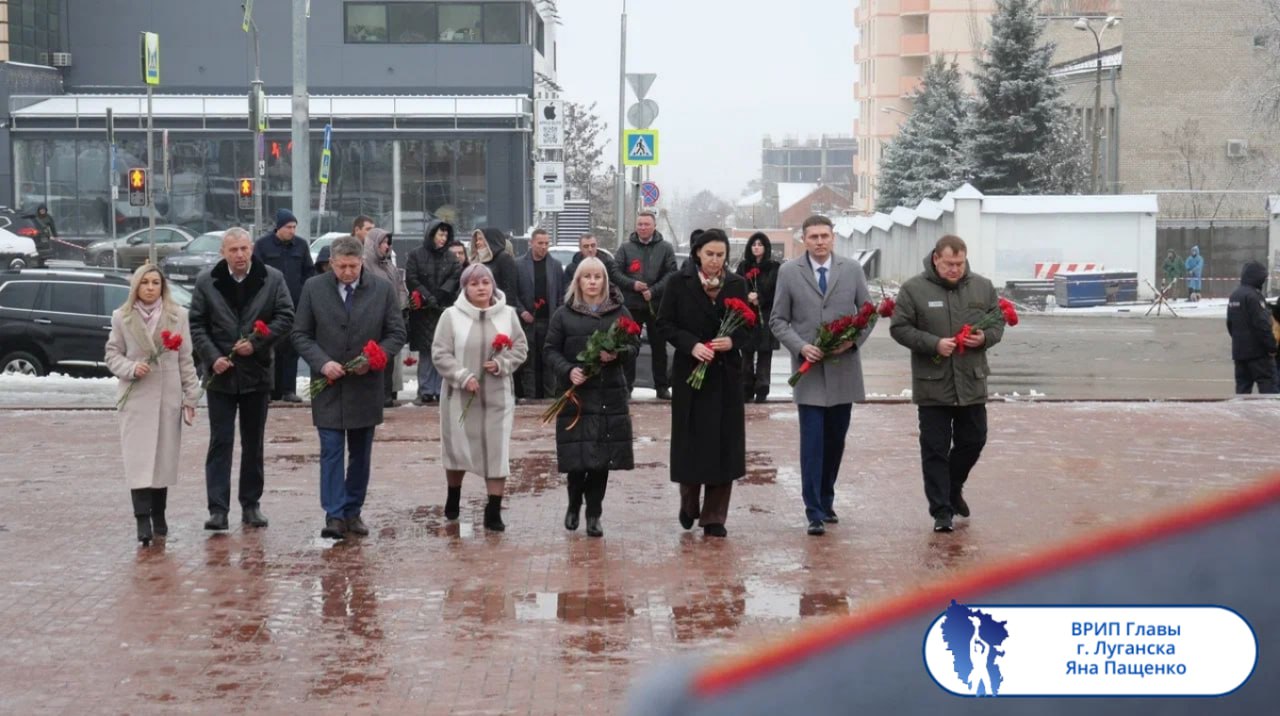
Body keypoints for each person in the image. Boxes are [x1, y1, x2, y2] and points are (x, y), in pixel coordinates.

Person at [291, 236, 407, 540]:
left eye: (353, 266)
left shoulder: (381, 290)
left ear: (361, 263)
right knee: (330, 449)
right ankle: (334, 514)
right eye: (341, 266)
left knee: (360, 452)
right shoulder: (314, 289)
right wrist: (322, 363)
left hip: (365, 386)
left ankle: (353, 511)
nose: (347, 272)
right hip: (328, 384)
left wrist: (374, 357)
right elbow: (301, 334)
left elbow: (396, 332)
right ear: (331, 264)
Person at [889, 234, 1004, 533]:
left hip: (971, 381)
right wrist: (933, 343)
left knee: (974, 440)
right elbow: (899, 328)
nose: (955, 269)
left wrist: (984, 338)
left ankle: (953, 487)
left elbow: (997, 321)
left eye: (960, 263)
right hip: (933, 384)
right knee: (935, 449)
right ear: (936, 259)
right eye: (949, 263)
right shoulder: (914, 289)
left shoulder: (982, 286)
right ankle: (941, 511)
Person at [771, 215, 874, 537]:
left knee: (835, 442)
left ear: (833, 238)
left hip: (844, 370)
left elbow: (867, 314)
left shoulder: (851, 270)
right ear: (804, 239)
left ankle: (826, 498)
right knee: (812, 443)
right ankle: (813, 510)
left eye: (824, 236)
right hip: (810, 373)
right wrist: (801, 347)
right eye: (813, 236)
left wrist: (852, 341)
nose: (819, 241)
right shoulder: (789, 272)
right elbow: (777, 320)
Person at [189, 227, 296, 531]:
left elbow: (285, 316)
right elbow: (197, 324)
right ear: (223, 252)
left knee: (253, 443)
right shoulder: (206, 282)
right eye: (233, 250)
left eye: (244, 249)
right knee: (220, 442)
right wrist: (212, 357)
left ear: (252, 250)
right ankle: (218, 509)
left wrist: (258, 343)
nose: (239, 255)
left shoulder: (272, 279)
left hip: (256, 373)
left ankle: (251, 505)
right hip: (220, 376)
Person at [657, 229, 751, 538]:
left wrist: (732, 340)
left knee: (725, 445)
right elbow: (664, 325)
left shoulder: (737, 284)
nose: (715, 261)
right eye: (709, 254)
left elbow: (755, 330)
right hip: (691, 375)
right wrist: (691, 344)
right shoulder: (678, 283)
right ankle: (688, 502)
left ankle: (714, 517)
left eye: (720, 255)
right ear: (698, 253)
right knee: (691, 442)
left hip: (725, 377)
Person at [104, 265, 201, 545]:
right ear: (136, 286)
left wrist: (190, 396)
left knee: (162, 459)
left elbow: (186, 358)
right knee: (138, 461)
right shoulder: (122, 317)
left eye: (155, 282)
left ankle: (159, 516)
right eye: (144, 282)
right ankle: (141, 520)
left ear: (162, 286)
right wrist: (131, 367)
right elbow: (112, 354)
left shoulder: (177, 315)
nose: (149, 287)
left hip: (167, 397)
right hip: (136, 397)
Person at [544, 257, 639, 537]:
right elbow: (550, 350)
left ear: (605, 281)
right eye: (587, 277)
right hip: (577, 396)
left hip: (609, 394)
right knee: (578, 458)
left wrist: (617, 354)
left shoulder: (619, 311)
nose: (593, 281)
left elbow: (633, 345)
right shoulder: (564, 314)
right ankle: (574, 503)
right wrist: (569, 370)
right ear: (578, 281)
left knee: (602, 460)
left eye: (598, 276)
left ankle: (594, 512)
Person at [431, 263, 529, 532]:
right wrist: (462, 376)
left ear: (493, 285)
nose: (481, 288)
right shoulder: (451, 316)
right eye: (474, 284)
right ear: (465, 287)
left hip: (497, 396)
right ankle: (454, 495)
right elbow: (440, 353)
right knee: (458, 450)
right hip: (459, 397)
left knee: (497, 452)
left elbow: (521, 347)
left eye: (485, 282)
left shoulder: (508, 315)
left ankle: (493, 509)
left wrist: (501, 364)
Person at [614, 210, 678, 399]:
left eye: (646, 224)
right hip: (631, 306)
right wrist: (632, 284)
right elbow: (615, 271)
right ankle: (627, 386)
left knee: (659, 347)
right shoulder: (625, 248)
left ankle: (661, 386)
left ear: (654, 226)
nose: (642, 227)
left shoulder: (665, 248)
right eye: (640, 224)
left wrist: (655, 290)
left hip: (656, 305)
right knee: (629, 346)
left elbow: (671, 273)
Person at [254, 208, 313, 402]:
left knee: (290, 349)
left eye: (294, 227)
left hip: (295, 305)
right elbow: (257, 271)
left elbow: (309, 272)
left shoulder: (301, 246)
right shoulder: (263, 245)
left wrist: (303, 291)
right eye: (288, 227)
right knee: (269, 348)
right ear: (278, 227)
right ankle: (270, 390)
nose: (292, 231)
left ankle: (288, 389)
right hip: (270, 305)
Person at [405, 219, 463, 406]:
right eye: (440, 234)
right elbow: (412, 278)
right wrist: (428, 296)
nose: (443, 238)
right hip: (423, 311)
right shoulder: (416, 255)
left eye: (446, 235)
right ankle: (426, 390)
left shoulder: (450, 258)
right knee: (426, 352)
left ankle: (440, 389)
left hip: (443, 308)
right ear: (431, 235)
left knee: (443, 350)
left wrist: (440, 295)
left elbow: (455, 277)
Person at [515, 228, 566, 400]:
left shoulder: (556, 266)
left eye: (546, 243)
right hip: (527, 322)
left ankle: (549, 397)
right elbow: (513, 294)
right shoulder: (519, 265)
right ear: (531, 243)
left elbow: (561, 294)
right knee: (528, 361)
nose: (543, 247)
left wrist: (558, 315)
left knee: (549, 361)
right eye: (540, 243)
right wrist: (522, 312)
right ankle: (530, 397)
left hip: (550, 321)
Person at [363, 228, 410, 407]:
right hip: (373, 316)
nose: (386, 246)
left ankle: (387, 394)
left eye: (388, 243)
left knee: (388, 355)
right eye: (383, 242)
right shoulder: (365, 264)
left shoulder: (389, 265)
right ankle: (375, 395)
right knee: (373, 355)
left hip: (391, 315)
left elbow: (398, 287)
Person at [736, 232, 781, 403]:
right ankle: (746, 388)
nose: (756, 247)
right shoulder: (743, 266)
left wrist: (760, 298)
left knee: (764, 354)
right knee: (746, 354)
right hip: (747, 315)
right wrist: (747, 295)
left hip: (766, 315)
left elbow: (778, 291)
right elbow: (737, 285)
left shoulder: (774, 267)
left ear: (766, 247)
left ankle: (762, 388)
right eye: (753, 244)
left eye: (760, 244)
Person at [1226, 260, 1277, 394]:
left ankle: (1242, 415)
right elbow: (1262, 325)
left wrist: (1240, 341)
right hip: (1259, 355)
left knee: (1242, 392)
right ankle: (1269, 415)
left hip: (1239, 354)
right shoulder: (1254, 297)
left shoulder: (1234, 295)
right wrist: (1271, 346)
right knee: (1269, 390)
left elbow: (1230, 324)